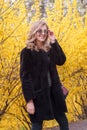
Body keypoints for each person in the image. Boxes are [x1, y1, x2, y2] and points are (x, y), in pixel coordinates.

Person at [20, 20, 69, 130]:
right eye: (39, 31)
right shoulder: (27, 52)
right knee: (37, 125)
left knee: (63, 122)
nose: (43, 33)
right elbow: (25, 78)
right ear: (34, 32)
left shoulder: (49, 49)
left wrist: (54, 41)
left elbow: (61, 60)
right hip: (39, 95)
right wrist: (29, 101)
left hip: (54, 93)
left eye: (45, 31)